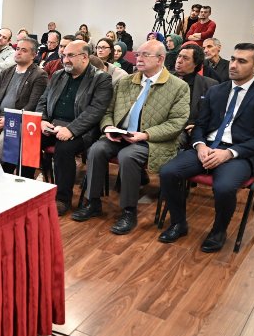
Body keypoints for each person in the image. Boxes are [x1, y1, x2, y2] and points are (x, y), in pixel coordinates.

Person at [158, 43, 254, 252]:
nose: (233, 65)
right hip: (208, 147)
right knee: (168, 172)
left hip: (240, 153)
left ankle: (218, 231)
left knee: (223, 187)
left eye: (241, 61)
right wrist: (200, 146)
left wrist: (229, 153)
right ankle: (178, 223)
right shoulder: (216, 90)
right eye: (232, 59)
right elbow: (200, 125)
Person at [72, 39, 190, 235]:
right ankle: (93, 202)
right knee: (96, 149)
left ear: (160, 59)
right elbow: (108, 110)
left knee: (128, 156)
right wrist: (108, 127)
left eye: (145, 55)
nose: (139, 59)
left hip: (152, 140)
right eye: (138, 55)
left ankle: (129, 211)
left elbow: (177, 123)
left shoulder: (178, 86)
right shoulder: (126, 81)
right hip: (120, 135)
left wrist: (145, 134)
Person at [36, 40, 113, 215]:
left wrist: (71, 130)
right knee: (27, 137)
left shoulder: (101, 79)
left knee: (64, 149)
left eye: (70, 55)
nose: (65, 60)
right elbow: (43, 100)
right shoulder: (58, 75)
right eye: (64, 55)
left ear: (84, 57)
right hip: (52, 124)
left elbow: (96, 111)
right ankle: (26, 185)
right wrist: (43, 120)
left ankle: (62, 199)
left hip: (83, 130)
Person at [0, 37, 48, 176]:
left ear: (33, 55)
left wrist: (11, 119)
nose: (18, 52)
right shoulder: (7, 71)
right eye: (17, 49)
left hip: (19, 119)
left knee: (3, 144)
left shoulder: (39, 75)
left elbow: (33, 104)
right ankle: (2, 164)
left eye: (24, 50)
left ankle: (0, 172)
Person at [173, 44, 217, 149]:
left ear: (196, 63)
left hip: (187, 132)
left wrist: (199, 128)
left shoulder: (210, 85)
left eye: (185, 58)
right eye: (179, 56)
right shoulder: (165, 79)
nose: (179, 61)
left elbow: (215, 115)